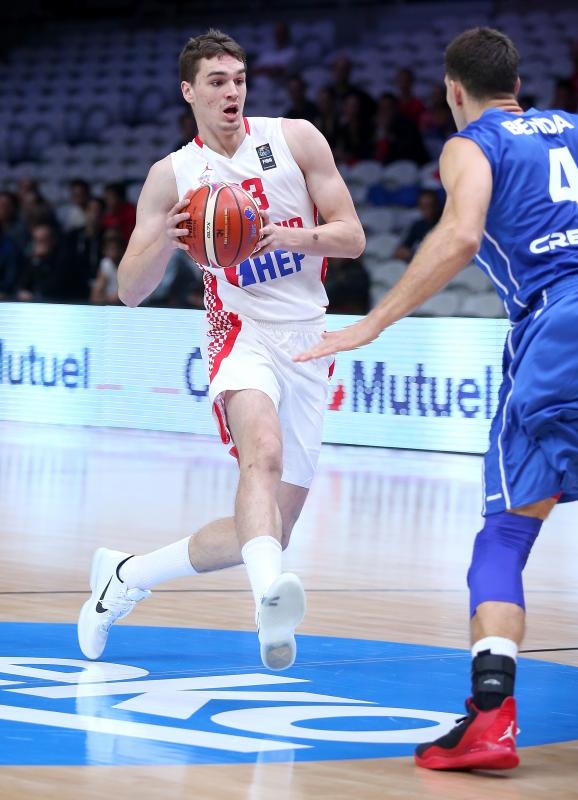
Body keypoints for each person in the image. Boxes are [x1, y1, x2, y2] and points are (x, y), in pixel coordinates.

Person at [295, 26, 578, 771]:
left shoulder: (473, 143)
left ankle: (490, 718)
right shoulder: (574, 129)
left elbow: (459, 234)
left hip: (558, 326)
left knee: (505, 536)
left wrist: (374, 323)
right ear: (517, 78)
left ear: (454, 90)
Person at [77, 29, 365, 672]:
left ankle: (125, 574)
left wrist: (281, 234)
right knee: (259, 453)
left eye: (237, 79)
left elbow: (352, 238)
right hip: (240, 335)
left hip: (308, 340)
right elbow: (128, 290)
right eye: (216, 81)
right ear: (189, 92)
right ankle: (269, 600)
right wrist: (169, 241)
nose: (231, 90)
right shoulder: (172, 175)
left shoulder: (295, 139)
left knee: (263, 531)